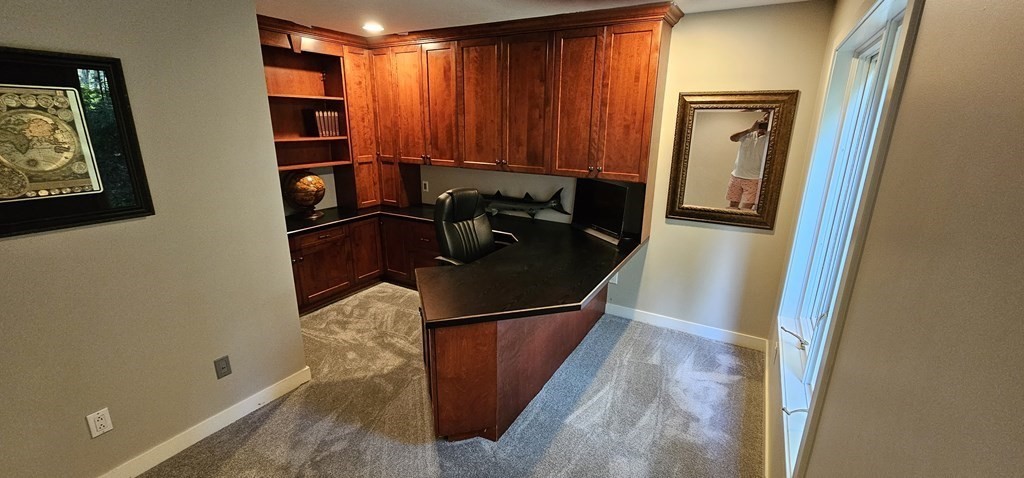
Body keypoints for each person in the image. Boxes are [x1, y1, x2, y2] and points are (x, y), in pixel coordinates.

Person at [726, 112, 770, 210]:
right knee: (732, 206)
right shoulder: (748, 134)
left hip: (754, 179)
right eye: (764, 119)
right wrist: (750, 129)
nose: (765, 122)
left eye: (768, 120)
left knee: (746, 209)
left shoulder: (771, 137)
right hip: (736, 176)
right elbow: (733, 138)